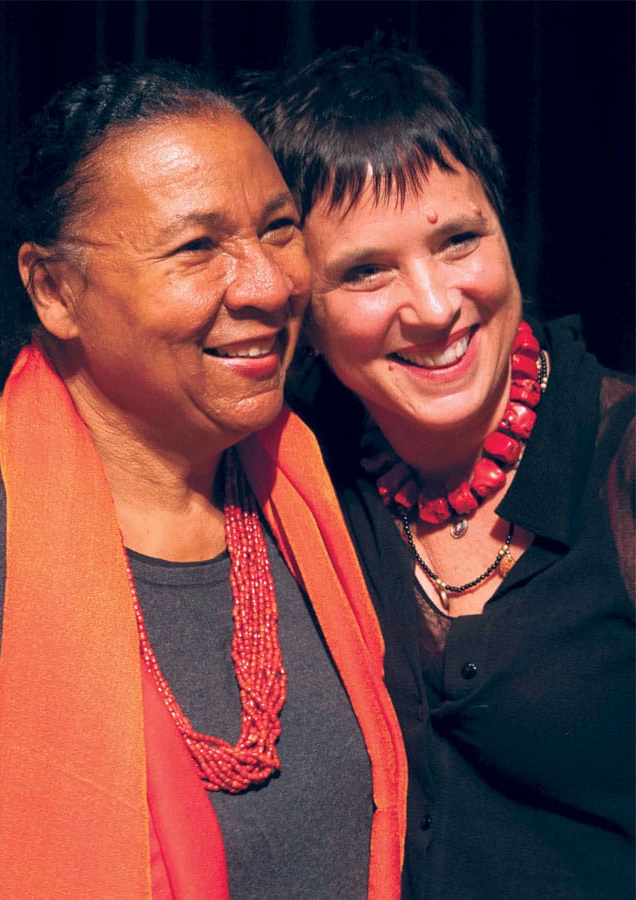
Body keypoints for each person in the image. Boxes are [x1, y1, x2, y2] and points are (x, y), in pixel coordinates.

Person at [0, 63, 408, 898]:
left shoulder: (317, 498)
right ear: (54, 289)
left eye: (280, 229)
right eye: (196, 247)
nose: (268, 284)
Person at [239, 44, 635, 899]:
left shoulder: (622, 460)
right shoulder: (297, 473)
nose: (433, 306)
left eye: (458, 241)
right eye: (367, 271)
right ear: (301, 310)